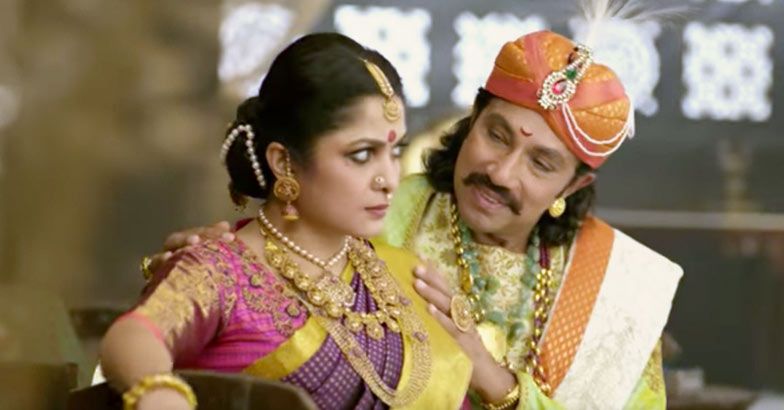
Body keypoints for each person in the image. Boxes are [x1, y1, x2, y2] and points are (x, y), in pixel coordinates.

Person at [154, 30, 683, 409]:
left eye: (540, 164)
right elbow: (258, 280)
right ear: (471, 120)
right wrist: (214, 260)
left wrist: (495, 382)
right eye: (496, 135)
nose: (501, 172)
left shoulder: (620, 290)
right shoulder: (374, 212)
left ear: (571, 187)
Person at [100, 32, 472, 410]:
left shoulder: (407, 277)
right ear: (284, 162)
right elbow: (133, 337)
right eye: (362, 154)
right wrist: (160, 393)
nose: (389, 179)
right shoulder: (220, 272)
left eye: (395, 151)